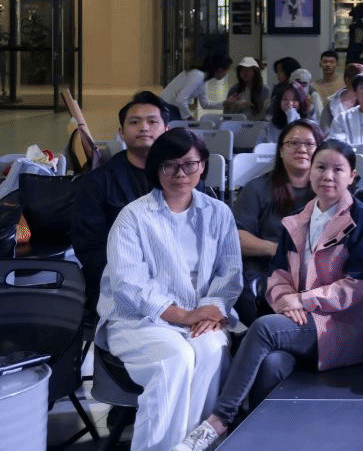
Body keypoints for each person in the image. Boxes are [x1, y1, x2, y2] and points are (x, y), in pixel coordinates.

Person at [175, 139, 363, 451]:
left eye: (338, 169)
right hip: (301, 322)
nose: (328, 176)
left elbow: (357, 286)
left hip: (343, 326)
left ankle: (218, 421)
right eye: (321, 167)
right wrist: (286, 302)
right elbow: (278, 275)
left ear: (352, 176)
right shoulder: (297, 219)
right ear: (310, 172)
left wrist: (303, 300)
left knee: (263, 328)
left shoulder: (362, 220)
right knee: (272, 364)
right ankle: (257, 441)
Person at [95, 129, 241, 451]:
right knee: (174, 359)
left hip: (201, 317)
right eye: (169, 165)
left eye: (189, 164)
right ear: (156, 169)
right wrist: (184, 315)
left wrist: (211, 312)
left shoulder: (219, 213)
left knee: (212, 351)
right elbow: (129, 284)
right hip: (138, 320)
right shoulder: (133, 217)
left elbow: (229, 274)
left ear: (203, 166)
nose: (180, 174)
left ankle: (195, 446)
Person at [73, 91, 172, 314]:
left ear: (166, 130)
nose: (144, 128)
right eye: (134, 122)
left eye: (152, 122)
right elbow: (89, 247)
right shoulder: (98, 181)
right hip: (117, 285)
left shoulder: (182, 178)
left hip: (174, 281)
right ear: (121, 132)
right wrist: (131, 279)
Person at [233, 119, 321, 323]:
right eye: (293, 143)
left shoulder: (329, 190)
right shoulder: (257, 188)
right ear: (281, 150)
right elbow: (237, 237)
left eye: (309, 144)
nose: (301, 149)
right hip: (267, 268)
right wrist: (277, 249)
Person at [161, 54, 232, 120]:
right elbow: (181, 99)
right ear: (219, 69)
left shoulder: (203, 78)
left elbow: (204, 104)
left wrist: (225, 104)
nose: (226, 73)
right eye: (227, 70)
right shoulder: (197, 75)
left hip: (173, 109)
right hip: (167, 108)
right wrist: (189, 118)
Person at [322, 63, 363, 129]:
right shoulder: (330, 102)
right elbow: (324, 129)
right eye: (358, 80)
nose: (362, 84)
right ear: (347, 79)